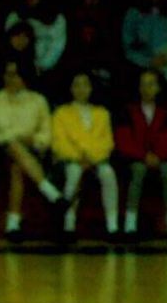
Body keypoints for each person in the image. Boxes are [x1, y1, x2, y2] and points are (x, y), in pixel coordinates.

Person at [0, 59, 61, 237]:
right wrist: (21, 137)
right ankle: (50, 192)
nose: (12, 79)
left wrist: (33, 141)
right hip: (0, 151)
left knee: (17, 164)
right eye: (9, 74)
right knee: (14, 148)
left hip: (33, 150)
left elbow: (46, 133)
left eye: (16, 75)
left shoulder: (38, 100)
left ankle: (13, 226)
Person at [114, 68, 167, 240]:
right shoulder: (128, 111)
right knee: (138, 170)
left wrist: (157, 156)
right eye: (143, 84)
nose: (147, 89)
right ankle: (130, 226)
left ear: (158, 88)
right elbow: (124, 140)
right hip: (134, 159)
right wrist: (143, 156)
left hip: (159, 159)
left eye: (151, 84)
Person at [49, 70, 120, 237]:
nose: (81, 89)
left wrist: (90, 158)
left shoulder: (102, 113)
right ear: (71, 88)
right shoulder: (61, 113)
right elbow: (59, 143)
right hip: (70, 160)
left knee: (108, 173)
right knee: (74, 171)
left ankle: (113, 226)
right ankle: (68, 225)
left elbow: (107, 143)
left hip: (96, 160)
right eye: (77, 85)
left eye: (85, 85)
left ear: (91, 88)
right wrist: (79, 157)